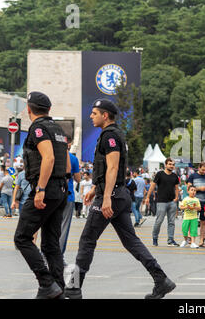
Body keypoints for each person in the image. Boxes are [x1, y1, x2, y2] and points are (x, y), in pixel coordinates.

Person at [64, 99, 175, 299]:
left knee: (87, 240)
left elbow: (114, 167)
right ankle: (161, 280)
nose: (91, 116)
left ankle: (73, 289)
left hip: (112, 195)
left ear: (105, 115)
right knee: (131, 241)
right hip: (118, 194)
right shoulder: (114, 135)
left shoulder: (110, 136)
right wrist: (96, 188)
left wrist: (105, 197)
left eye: (95, 113)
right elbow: (107, 168)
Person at [14, 91, 70, 299]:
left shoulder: (38, 128)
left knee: (22, 238)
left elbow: (48, 158)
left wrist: (40, 189)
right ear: (48, 109)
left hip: (46, 190)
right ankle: (58, 289)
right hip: (60, 190)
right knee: (50, 244)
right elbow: (65, 163)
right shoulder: (58, 129)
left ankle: (47, 284)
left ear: (29, 109)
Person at [145, 158, 180, 247]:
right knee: (159, 221)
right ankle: (155, 238)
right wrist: (148, 197)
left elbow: (176, 188)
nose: (171, 166)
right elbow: (152, 186)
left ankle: (170, 240)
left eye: (173, 164)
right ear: (165, 165)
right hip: (161, 202)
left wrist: (176, 198)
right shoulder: (159, 174)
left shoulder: (175, 176)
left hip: (172, 202)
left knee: (171, 222)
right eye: (170, 164)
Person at [59, 137, 81, 257]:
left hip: (52, 195)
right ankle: (58, 256)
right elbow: (78, 178)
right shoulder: (73, 159)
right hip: (68, 196)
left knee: (50, 226)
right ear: (69, 144)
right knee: (64, 227)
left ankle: (47, 254)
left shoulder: (53, 156)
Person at [187, 162, 205, 247]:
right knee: (191, 219)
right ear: (199, 167)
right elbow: (188, 188)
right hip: (194, 201)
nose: (204, 172)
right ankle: (190, 238)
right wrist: (199, 188)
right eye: (202, 170)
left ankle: (201, 240)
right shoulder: (193, 176)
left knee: (203, 221)